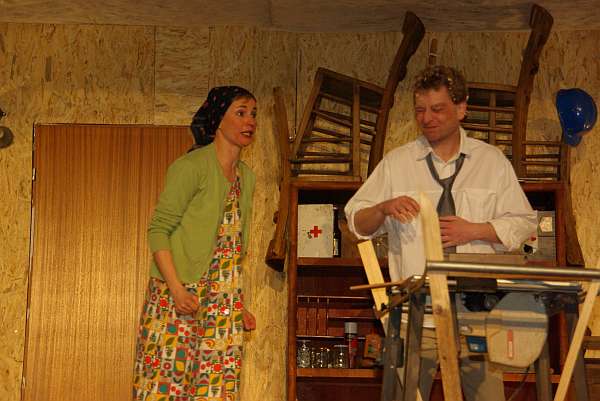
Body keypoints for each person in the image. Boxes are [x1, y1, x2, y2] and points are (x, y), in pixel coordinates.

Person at [345, 66, 537, 401]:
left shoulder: (491, 162)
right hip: (415, 318)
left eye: (437, 109)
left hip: (477, 314)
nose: (427, 118)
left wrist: (476, 230)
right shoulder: (397, 163)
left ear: (461, 108)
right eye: (420, 110)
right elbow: (356, 223)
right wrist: (383, 208)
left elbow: (524, 223)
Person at [133, 86, 258, 401]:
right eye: (241, 113)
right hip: (178, 296)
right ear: (218, 119)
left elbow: (232, 245)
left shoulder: (247, 178)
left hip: (222, 304)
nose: (250, 121)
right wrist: (176, 289)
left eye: (253, 114)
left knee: (215, 391)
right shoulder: (191, 167)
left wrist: (236, 304)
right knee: (164, 388)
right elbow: (158, 230)